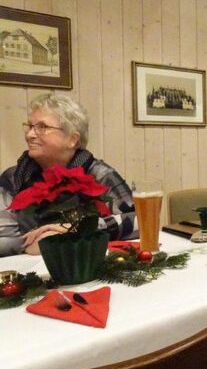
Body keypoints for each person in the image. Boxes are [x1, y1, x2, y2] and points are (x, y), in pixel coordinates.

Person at [0, 93, 137, 257]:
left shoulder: (98, 173)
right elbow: (3, 239)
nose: (30, 135)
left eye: (42, 127)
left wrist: (75, 230)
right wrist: (38, 244)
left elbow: (139, 221)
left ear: (72, 139)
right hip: (27, 268)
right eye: (29, 126)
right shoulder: (14, 178)